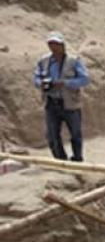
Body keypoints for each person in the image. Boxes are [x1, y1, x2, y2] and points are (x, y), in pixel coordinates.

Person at [32, 32, 90, 162]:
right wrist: (42, 83)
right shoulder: (43, 61)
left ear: (62, 44)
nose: (53, 47)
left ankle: (77, 159)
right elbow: (36, 78)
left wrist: (65, 83)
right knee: (52, 135)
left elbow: (84, 79)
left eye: (56, 44)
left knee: (75, 133)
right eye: (51, 44)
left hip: (70, 102)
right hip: (51, 102)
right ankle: (60, 160)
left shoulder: (73, 60)